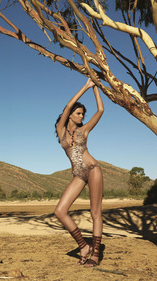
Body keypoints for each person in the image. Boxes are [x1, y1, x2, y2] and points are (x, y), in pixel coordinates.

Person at [54, 77, 104, 267]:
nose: (82, 116)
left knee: (95, 212)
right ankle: (84, 246)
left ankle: (95, 254)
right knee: (60, 211)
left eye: (83, 114)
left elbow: (100, 110)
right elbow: (67, 106)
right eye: (78, 113)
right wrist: (86, 86)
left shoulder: (84, 131)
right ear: (70, 115)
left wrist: (96, 89)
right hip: (78, 174)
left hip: (93, 170)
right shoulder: (61, 132)